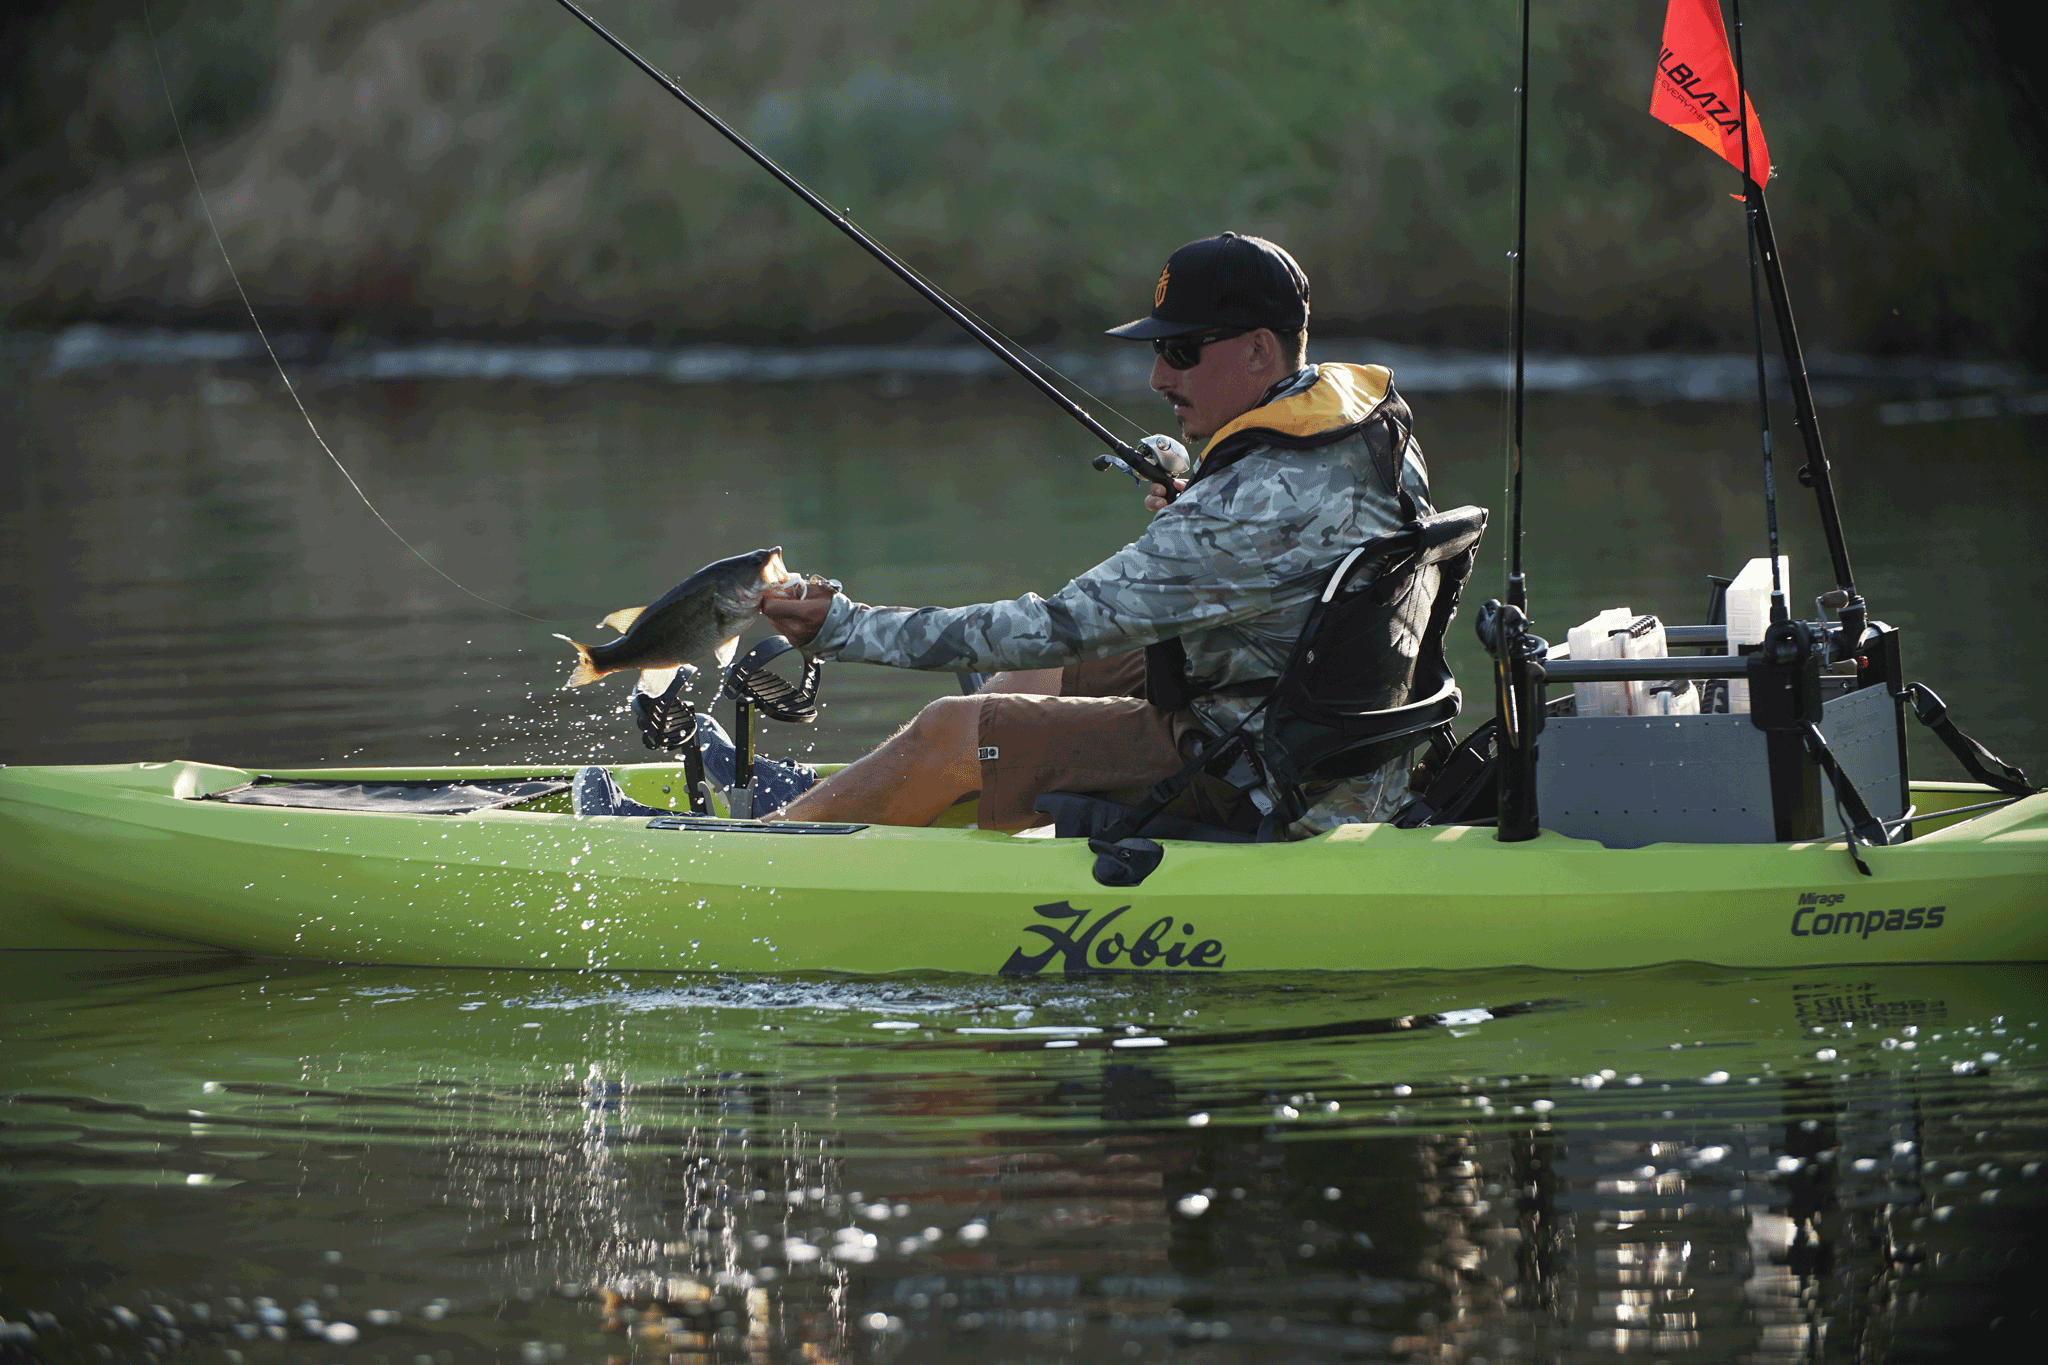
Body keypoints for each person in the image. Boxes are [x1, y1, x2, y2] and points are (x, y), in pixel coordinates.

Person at [761, 231, 1435, 838]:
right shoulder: (1375, 429)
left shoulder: (1240, 510)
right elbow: (1288, 537)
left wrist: (844, 627)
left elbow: (1057, 621)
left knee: (954, 726)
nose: (1158, 377)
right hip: (1317, 722)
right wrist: (1202, 496)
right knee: (1042, 677)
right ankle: (883, 794)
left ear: (1260, 348)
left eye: (1180, 351)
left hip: (1264, 779)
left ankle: (773, 848)